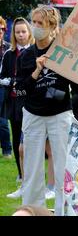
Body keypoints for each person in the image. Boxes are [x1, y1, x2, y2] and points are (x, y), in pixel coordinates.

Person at [15, 6, 75, 215]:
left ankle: (63, 210)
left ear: (52, 27)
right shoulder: (26, 56)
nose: (36, 26)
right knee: (31, 168)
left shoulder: (63, 52)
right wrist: (37, 71)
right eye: (35, 22)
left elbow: (75, 85)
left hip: (60, 114)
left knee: (63, 167)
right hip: (33, 114)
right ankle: (32, 210)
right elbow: (20, 90)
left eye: (41, 23)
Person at [0, 17, 34, 184]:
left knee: (30, 138)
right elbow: (2, 76)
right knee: (16, 136)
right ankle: (21, 173)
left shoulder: (34, 52)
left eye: (23, 31)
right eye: (17, 32)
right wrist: (10, 82)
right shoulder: (9, 54)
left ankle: (33, 172)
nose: (21, 35)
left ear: (29, 33)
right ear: (13, 34)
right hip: (14, 101)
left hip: (31, 101)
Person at [0, 15, 12, 159]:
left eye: (1, 29)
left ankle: (7, 150)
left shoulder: (8, 48)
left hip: (3, 87)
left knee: (2, 120)